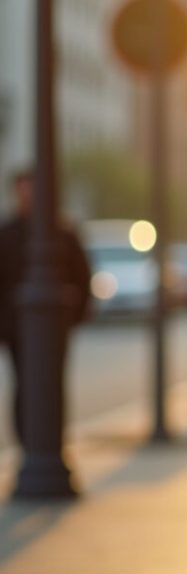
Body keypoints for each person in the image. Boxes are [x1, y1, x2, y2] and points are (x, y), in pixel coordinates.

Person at [0, 169, 92, 448]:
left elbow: (82, 278)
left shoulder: (63, 232)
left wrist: (72, 317)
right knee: (25, 385)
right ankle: (27, 443)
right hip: (17, 328)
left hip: (55, 328)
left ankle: (53, 441)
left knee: (52, 384)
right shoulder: (7, 234)